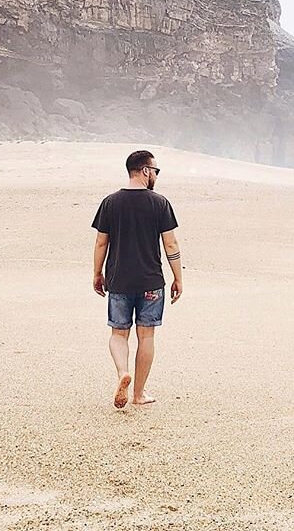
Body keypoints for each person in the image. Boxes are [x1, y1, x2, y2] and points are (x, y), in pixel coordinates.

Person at [91, 150, 183, 408]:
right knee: (147, 336)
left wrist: (97, 273)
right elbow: (170, 243)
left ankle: (122, 373)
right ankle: (139, 394)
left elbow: (101, 243)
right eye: (155, 171)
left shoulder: (110, 202)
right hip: (151, 282)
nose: (155, 175)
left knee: (119, 334)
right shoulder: (160, 203)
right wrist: (178, 278)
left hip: (119, 280)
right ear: (145, 170)